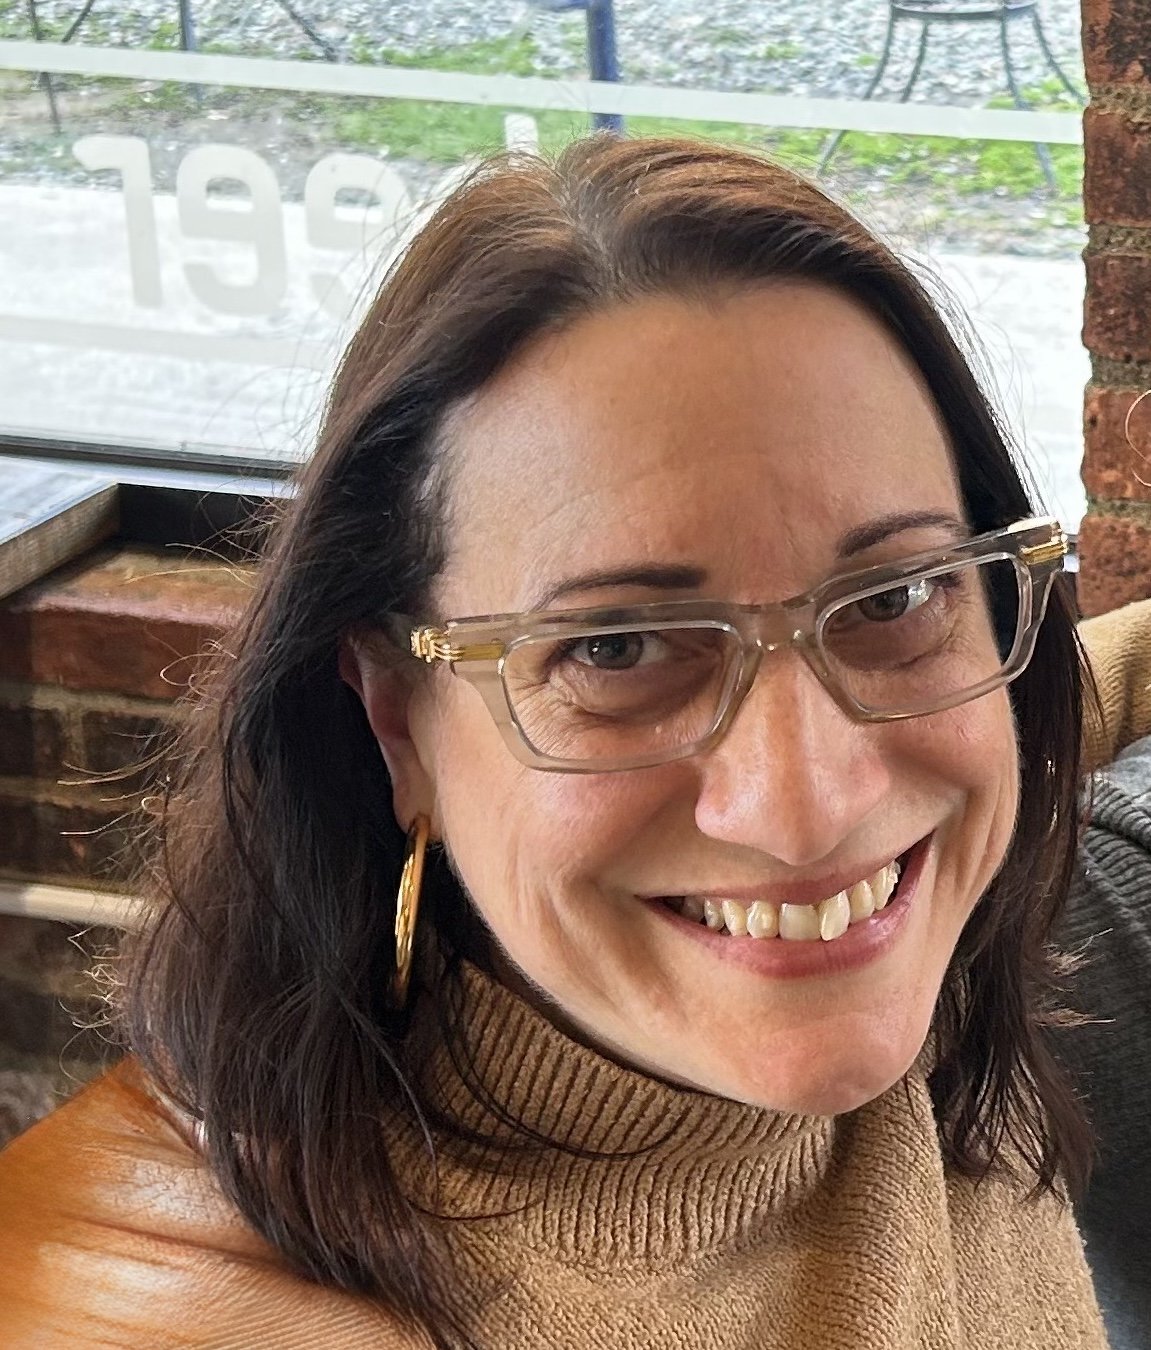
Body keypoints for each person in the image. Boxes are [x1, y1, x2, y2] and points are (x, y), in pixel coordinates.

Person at [1, 135, 1150, 1349]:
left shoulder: (942, 969)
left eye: (888, 600)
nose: (807, 807)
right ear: (397, 721)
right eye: (615, 652)